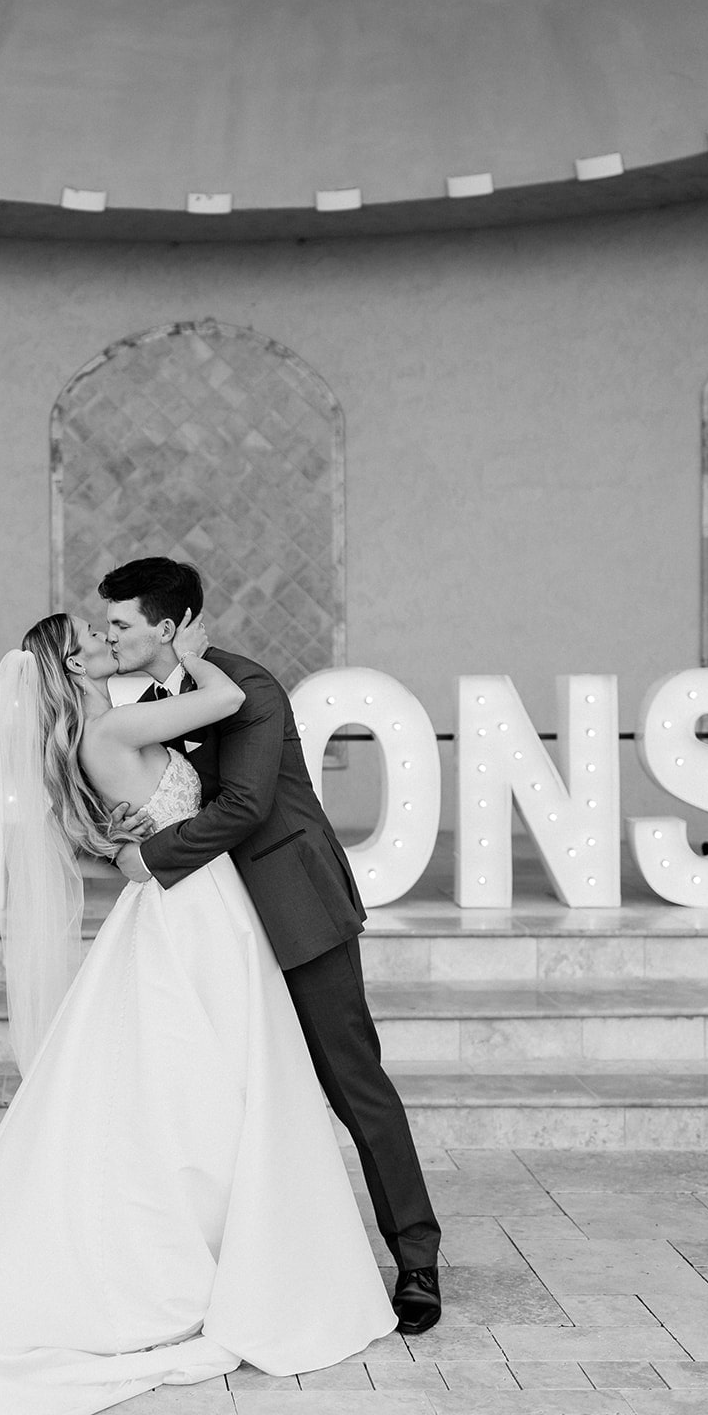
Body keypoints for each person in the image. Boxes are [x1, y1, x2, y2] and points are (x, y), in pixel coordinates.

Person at [0, 609, 395, 1415]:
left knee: (185, 1086)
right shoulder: (119, 725)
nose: (109, 644)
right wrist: (191, 652)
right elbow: (218, 702)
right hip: (196, 913)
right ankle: (215, 1260)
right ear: (71, 664)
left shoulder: (96, 734)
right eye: (95, 640)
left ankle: (218, 1248)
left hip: (189, 906)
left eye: (114, 632)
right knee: (208, 1083)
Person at [100, 558, 442, 1334]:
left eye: (120, 623)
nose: (111, 637)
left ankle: (416, 1259)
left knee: (350, 1082)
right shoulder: (154, 702)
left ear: (165, 626)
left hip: (292, 912)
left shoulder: (245, 688)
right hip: (211, 929)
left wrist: (145, 861)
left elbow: (249, 804)